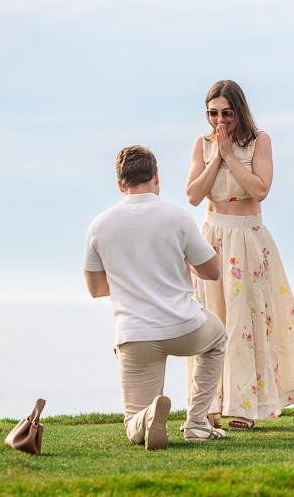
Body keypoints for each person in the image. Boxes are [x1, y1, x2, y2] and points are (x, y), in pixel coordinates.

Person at [185, 80, 294, 430]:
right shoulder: (201, 145)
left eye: (226, 114)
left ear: (239, 111)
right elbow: (194, 195)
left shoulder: (260, 141)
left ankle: (245, 407)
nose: (220, 121)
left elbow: (260, 189)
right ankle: (208, 406)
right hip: (212, 239)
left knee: (245, 321)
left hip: (248, 238)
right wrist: (216, 156)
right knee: (209, 321)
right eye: (213, 114)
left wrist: (231, 155)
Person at [84, 145, 228, 449]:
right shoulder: (178, 217)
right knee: (217, 339)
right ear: (156, 176)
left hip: (135, 336)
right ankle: (196, 422)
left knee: (132, 426)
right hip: (185, 328)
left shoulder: (99, 225)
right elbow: (212, 271)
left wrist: (133, 281)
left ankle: (149, 416)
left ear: (121, 184)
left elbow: (96, 288)